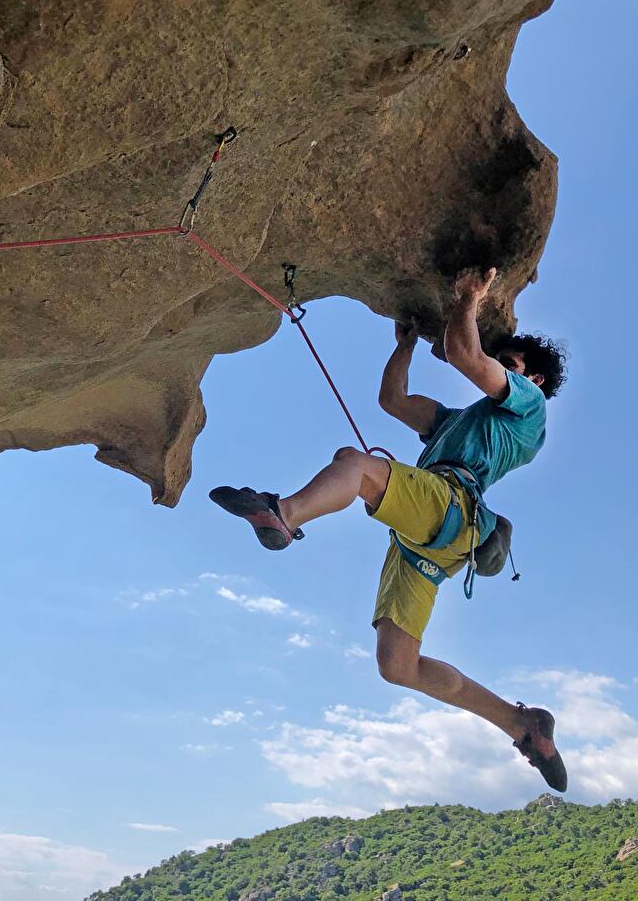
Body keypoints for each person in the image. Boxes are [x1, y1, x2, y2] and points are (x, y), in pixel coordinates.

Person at [209, 266, 570, 791]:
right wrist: (403, 343)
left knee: (354, 465)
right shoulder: (457, 421)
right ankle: (521, 724)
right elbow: (393, 401)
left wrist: (469, 296)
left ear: (531, 379)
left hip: (452, 505)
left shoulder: (529, 407)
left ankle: (284, 515)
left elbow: (467, 355)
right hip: (430, 539)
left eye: (510, 363)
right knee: (398, 667)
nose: (501, 366)